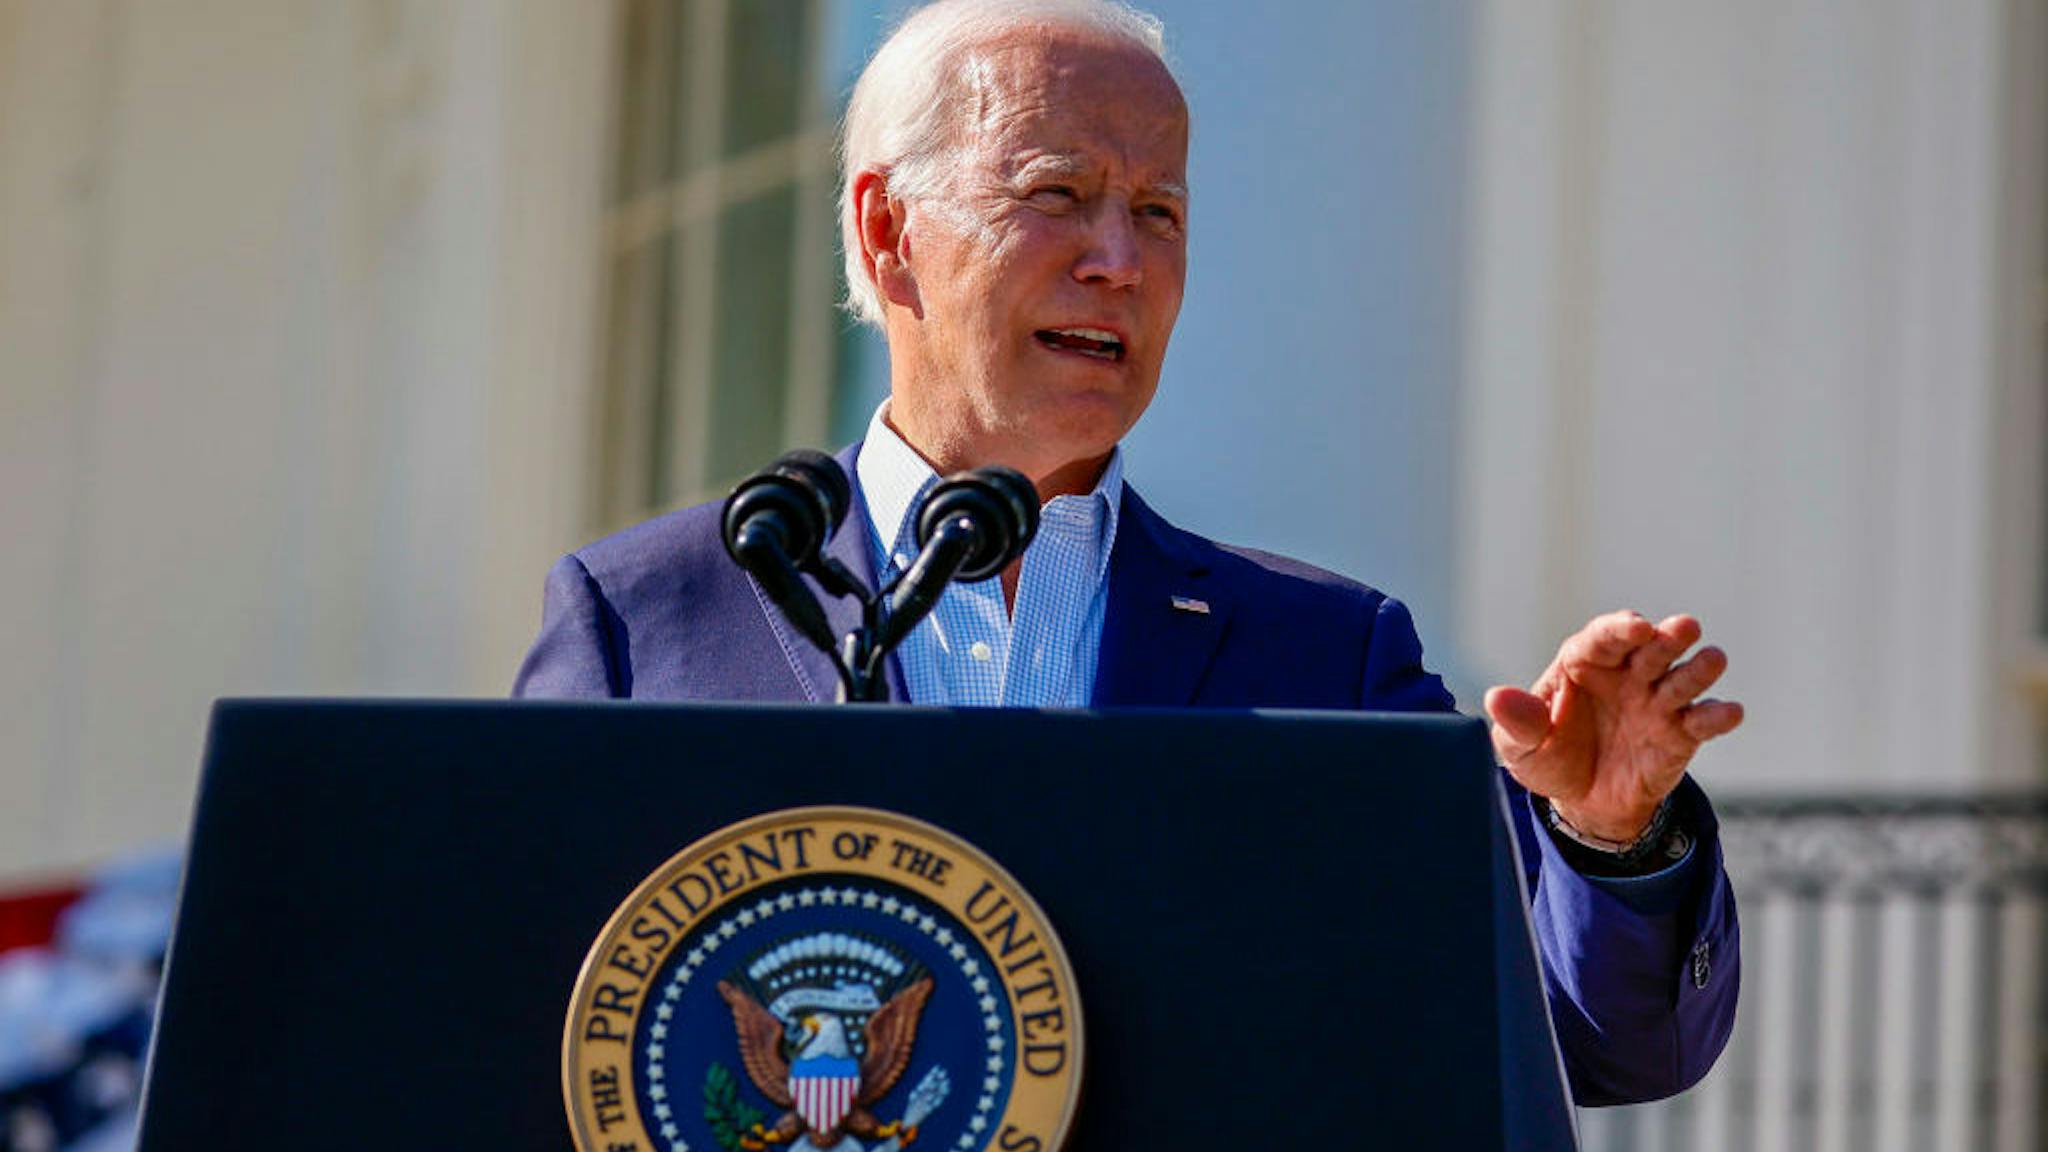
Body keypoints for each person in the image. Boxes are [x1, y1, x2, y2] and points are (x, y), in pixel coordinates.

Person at [515, 0, 1743, 1106]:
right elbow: (514, 1020)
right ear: (888, 231)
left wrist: (1600, 834)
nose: (1123, 260)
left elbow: (1594, 1046)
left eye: (1158, 211)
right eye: (1057, 194)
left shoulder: (1322, 653)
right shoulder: (646, 616)